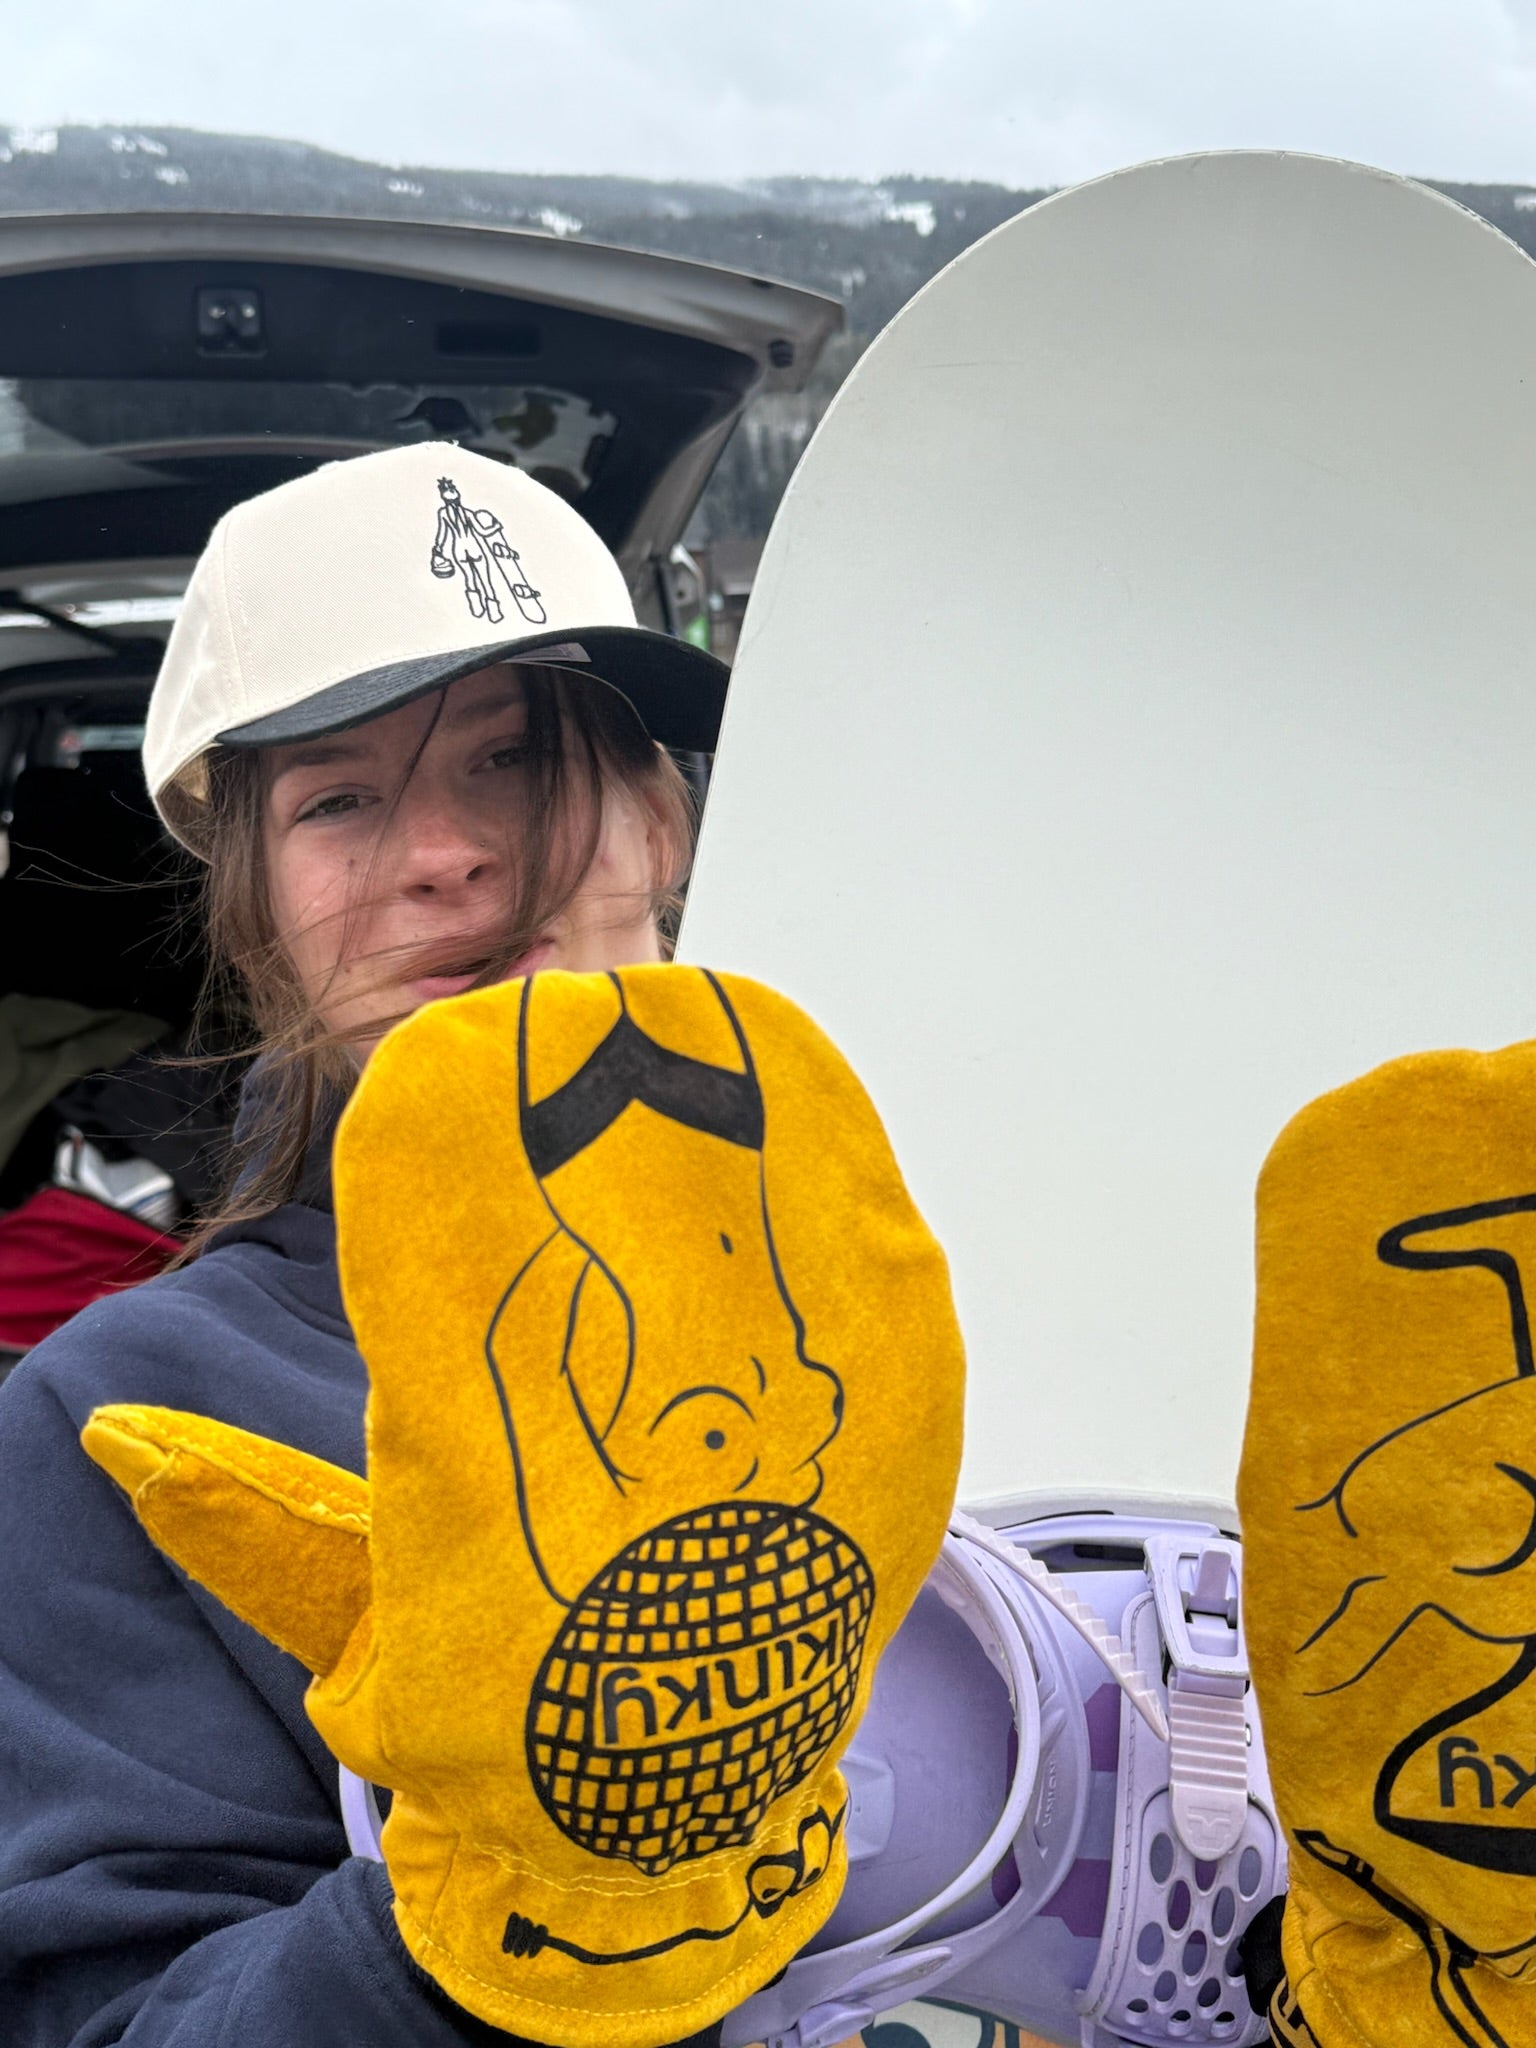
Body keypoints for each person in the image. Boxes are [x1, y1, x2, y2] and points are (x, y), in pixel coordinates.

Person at [0, 441, 736, 2044]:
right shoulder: (113, 1422)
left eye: (515, 758)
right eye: (339, 797)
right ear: (259, 916)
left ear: (662, 822)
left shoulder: (929, 1274)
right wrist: (498, 1896)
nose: (446, 852)